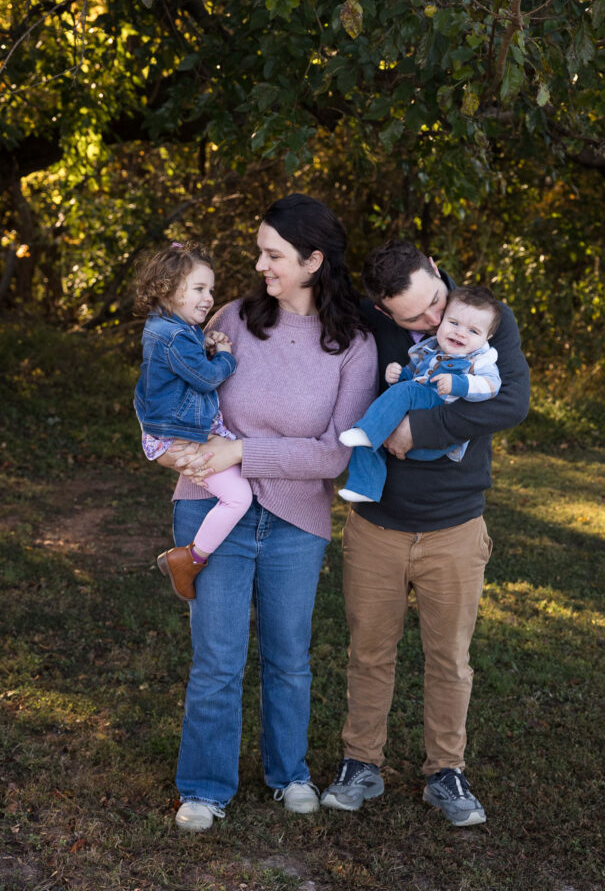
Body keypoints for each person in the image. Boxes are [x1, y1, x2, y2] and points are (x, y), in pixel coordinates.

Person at [158, 194, 377, 832]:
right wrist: (179, 441)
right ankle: (204, 788)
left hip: (296, 520)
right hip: (211, 508)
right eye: (260, 251)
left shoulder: (352, 345)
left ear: (313, 261)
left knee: (289, 657)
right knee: (218, 658)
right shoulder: (232, 318)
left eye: (273, 254)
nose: (259, 264)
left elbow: (337, 452)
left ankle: (289, 775)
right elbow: (181, 391)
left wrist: (244, 451)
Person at [320, 240, 529, 826]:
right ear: (385, 312)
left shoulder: (486, 316)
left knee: (450, 659)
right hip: (377, 523)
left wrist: (418, 430)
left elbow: (511, 403)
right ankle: (360, 763)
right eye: (415, 318)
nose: (437, 323)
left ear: (438, 270)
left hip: (455, 524)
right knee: (368, 653)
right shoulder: (369, 323)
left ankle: (446, 771)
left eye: (436, 302)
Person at [133, 243, 253, 601]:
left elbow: (182, 366)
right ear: (168, 290)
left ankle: (190, 557)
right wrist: (226, 357)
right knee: (238, 497)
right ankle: (189, 559)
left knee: (238, 468)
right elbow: (204, 378)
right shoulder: (173, 337)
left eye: (211, 289)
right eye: (199, 289)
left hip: (172, 431)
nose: (209, 298)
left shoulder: (171, 329)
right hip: (176, 437)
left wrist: (206, 342)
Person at [338, 286, 502, 503]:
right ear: (441, 322)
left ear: (487, 337)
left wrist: (460, 384)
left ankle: (368, 432)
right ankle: (364, 488)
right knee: (373, 428)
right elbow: (411, 377)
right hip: (417, 410)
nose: (460, 333)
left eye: (473, 331)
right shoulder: (430, 350)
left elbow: (492, 386)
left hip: (439, 425)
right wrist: (396, 375)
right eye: (454, 323)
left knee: (376, 422)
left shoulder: (481, 359)